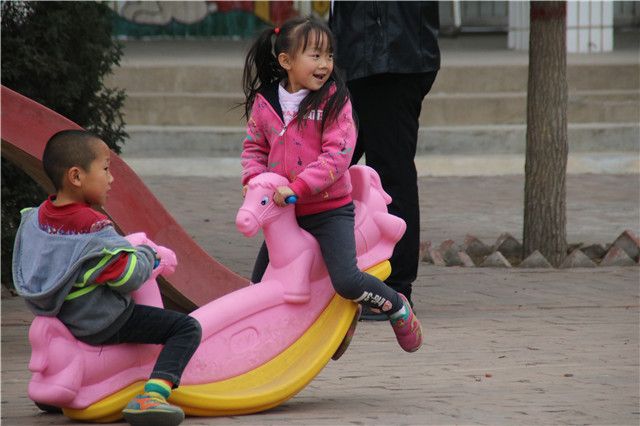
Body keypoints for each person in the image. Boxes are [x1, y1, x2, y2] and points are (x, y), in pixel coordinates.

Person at [240, 16, 423, 352]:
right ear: (286, 61)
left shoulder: (334, 100)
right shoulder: (266, 103)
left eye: (329, 56)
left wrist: (298, 188)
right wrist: (255, 182)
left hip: (328, 210)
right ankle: (268, 346)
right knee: (259, 285)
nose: (325, 65)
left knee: (346, 280)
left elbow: (338, 155)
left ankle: (395, 304)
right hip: (285, 214)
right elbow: (254, 147)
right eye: (315, 56)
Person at [12, 130, 201, 426]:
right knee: (185, 327)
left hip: (61, 315)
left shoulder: (37, 218)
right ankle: (154, 393)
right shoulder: (93, 226)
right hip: (100, 322)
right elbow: (127, 277)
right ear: (76, 176)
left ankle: (57, 387)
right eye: (105, 169)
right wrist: (147, 255)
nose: (111, 179)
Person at [330, 2, 441, 319]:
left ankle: (394, 289)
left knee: (390, 174)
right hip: (370, 53)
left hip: (388, 55)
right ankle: (324, 277)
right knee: (332, 168)